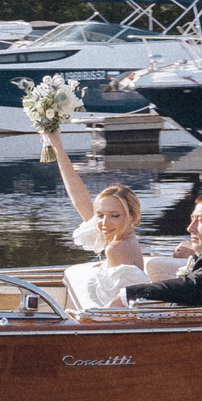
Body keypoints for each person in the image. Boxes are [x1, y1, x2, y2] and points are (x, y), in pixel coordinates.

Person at [42, 130, 148, 311]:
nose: (104, 223)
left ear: (133, 218)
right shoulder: (122, 238)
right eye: (100, 215)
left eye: (115, 215)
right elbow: (80, 199)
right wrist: (58, 147)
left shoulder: (117, 248)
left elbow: (118, 309)